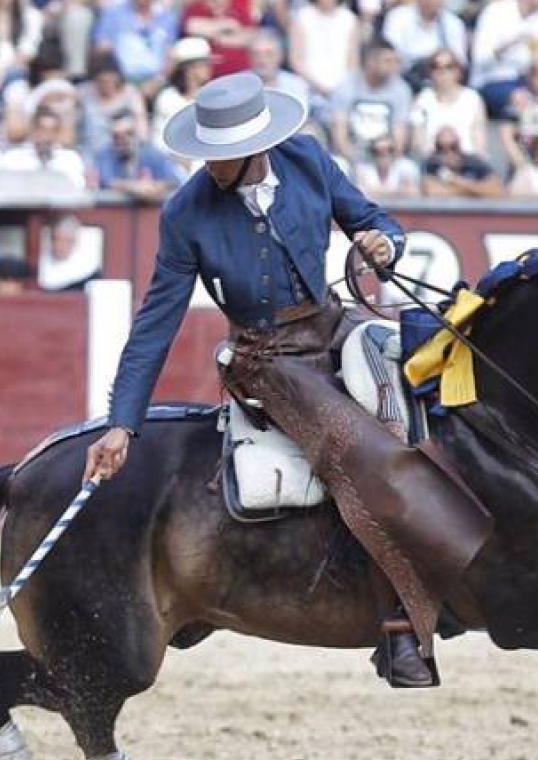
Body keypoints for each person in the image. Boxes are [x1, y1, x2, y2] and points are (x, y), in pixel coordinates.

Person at [88, 72, 488, 689]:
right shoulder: (187, 211)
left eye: (222, 156)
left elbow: (373, 220)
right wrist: (123, 423)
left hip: (335, 326)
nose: (211, 167)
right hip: (267, 359)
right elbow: (154, 325)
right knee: (366, 453)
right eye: (206, 155)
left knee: (437, 392)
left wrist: (385, 243)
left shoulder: (304, 158)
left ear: (256, 146)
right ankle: (400, 628)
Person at [470, 0, 538, 117]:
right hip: (496, 80)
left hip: (530, 77)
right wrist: (507, 47)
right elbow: (479, 59)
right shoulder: (495, 12)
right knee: (521, 98)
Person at [331, 40, 415, 160]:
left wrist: (384, 165)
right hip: (351, 155)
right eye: (387, 61)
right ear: (370, 62)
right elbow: (340, 136)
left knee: (407, 170)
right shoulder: (346, 86)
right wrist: (355, 163)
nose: (394, 66)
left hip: (386, 157)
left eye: (396, 61)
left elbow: (399, 138)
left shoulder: (401, 90)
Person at [408, 51, 487, 160]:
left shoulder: (473, 98)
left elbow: (479, 138)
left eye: (449, 67)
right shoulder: (422, 100)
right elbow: (418, 140)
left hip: (467, 161)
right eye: (436, 67)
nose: (442, 71)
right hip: (433, 161)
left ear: (458, 71)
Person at [94, 107, 183, 199]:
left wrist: (153, 187)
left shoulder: (152, 153)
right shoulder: (104, 154)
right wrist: (135, 187)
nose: (122, 140)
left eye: (128, 134)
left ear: (136, 133)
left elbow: (173, 180)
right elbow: (106, 181)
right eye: (116, 136)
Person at [93, 0, 178, 88]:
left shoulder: (167, 18)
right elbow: (102, 50)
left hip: (156, 84)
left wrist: (158, 81)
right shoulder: (114, 14)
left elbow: (171, 56)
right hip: (121, 84)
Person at [289, 0, 358, 106]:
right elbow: (296, 60)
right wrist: (319, 88)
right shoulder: (302, 17)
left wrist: (341, 89)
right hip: (308, 90)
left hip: (342, 91)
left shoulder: (349, 19)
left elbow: (353, 61)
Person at [0, 106, 88, 186]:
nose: (47, 136)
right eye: (43, 130)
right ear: (33, 130)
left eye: (52, 131)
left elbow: (77, 188)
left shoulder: (70, 159)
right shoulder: (14, 158)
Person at [421, 126, 504, 198]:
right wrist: (478, 192)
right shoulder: (432, 164)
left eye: (453, 147)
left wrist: (454, 180)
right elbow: (433, 192)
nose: (449, 153)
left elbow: (498, 191)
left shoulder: (473, 162)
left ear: (459, 146)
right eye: (441, 148)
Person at [181, 0, 257, 77]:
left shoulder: (239, 8)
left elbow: (249, 38)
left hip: (239, 72)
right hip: (205, 75)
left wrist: (210, 33)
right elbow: (191, 27)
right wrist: (227, 25)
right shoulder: (197, 8)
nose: (218, 3)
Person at [37, 213, 102, 290]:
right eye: (56, 239)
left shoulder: (89, 274)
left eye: (67, 241)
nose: (60, 245)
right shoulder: (38, 264)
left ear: (75, 242)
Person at [354, 133, 423, 197]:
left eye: (389, 150)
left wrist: (377, 191)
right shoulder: (364, 169)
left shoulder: (405, 166)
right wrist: (397, 191)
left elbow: (414, 192)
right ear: (372, 153)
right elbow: (359, 193)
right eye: (377, 151)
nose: (384, 154)